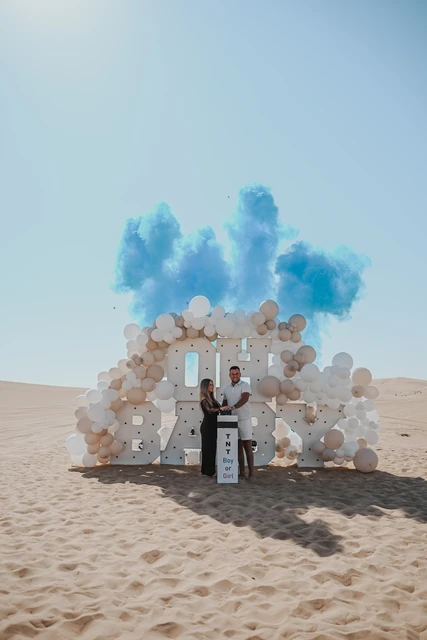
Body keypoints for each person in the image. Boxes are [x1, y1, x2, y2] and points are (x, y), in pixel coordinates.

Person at [222, 366, 254, 479]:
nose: (235, 376)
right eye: (232, 374)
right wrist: (222, 409)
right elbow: (224, 403)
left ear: (240, 374)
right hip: (232, 420)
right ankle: (242, 472)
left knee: (247, 445)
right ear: (229, 375)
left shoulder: (245, 385)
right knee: (238, 446)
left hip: (244, 419)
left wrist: (233, 407)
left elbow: (244, 399)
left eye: (237, 374)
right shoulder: (226, 389)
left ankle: (251, 473)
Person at [199, 379, 230, 476]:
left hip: (214, 426)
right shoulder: (203, 398)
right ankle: (206, 471)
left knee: (212, 448)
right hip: (207, 426)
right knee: (207, 448)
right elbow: (209, 410)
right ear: (205, 387)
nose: (212, 386)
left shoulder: (212, 399)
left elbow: (218, 408)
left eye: (212, 384)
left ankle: (211, 470)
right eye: (209, 385)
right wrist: (220, 408)